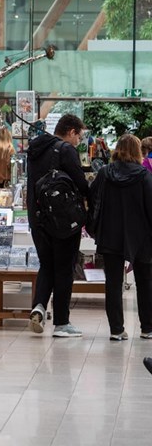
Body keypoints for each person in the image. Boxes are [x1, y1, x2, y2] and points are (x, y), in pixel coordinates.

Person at [26, 113, 89, 338]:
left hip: (37, 218)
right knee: (64, 269)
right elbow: (81, 184)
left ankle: (39, 305)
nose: (78, 142)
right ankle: (62, 322)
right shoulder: (65, 150)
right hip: (62, 222)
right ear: (71, 132)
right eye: (79, 137)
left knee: (46, 265)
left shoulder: (34, 151)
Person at [88, 134, 152, 341]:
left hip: (110, 234)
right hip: (141, 236)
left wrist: (93, 227)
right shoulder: (144, 176)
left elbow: (92, 198)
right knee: (145, 282)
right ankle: (147, 328)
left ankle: (116, 329)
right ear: (137, 151)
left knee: (113, 283)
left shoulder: (105, 173)